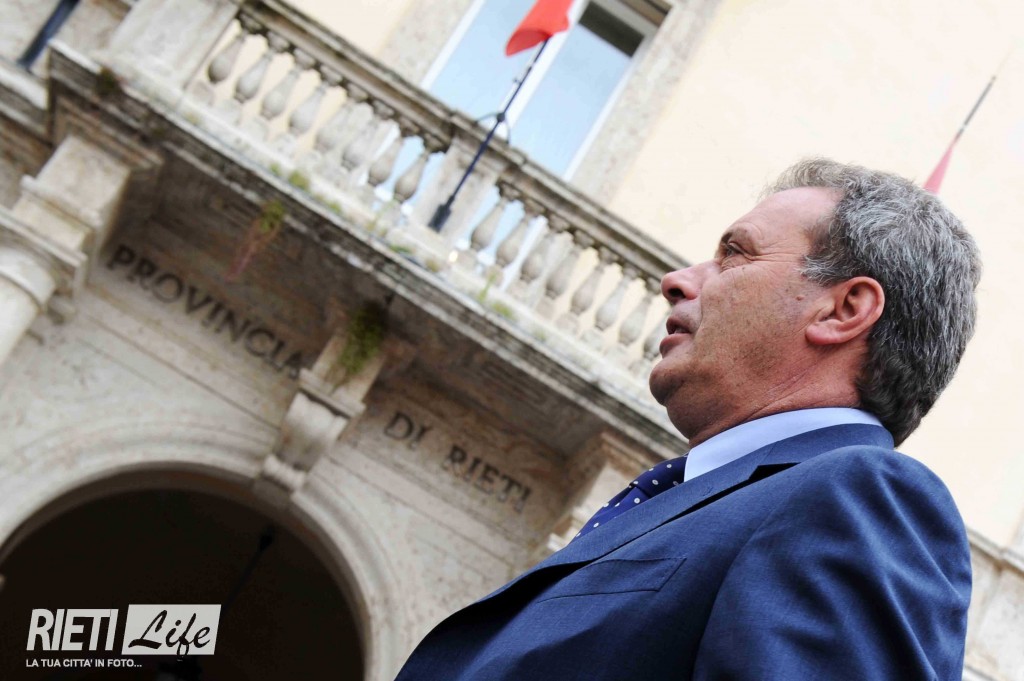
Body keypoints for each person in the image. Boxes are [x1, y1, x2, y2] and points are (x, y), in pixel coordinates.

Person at [395, 159, 980, 680]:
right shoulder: (705, 499)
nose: (676, 281)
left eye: (735, 254)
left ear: (842, 310)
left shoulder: (863, 500)